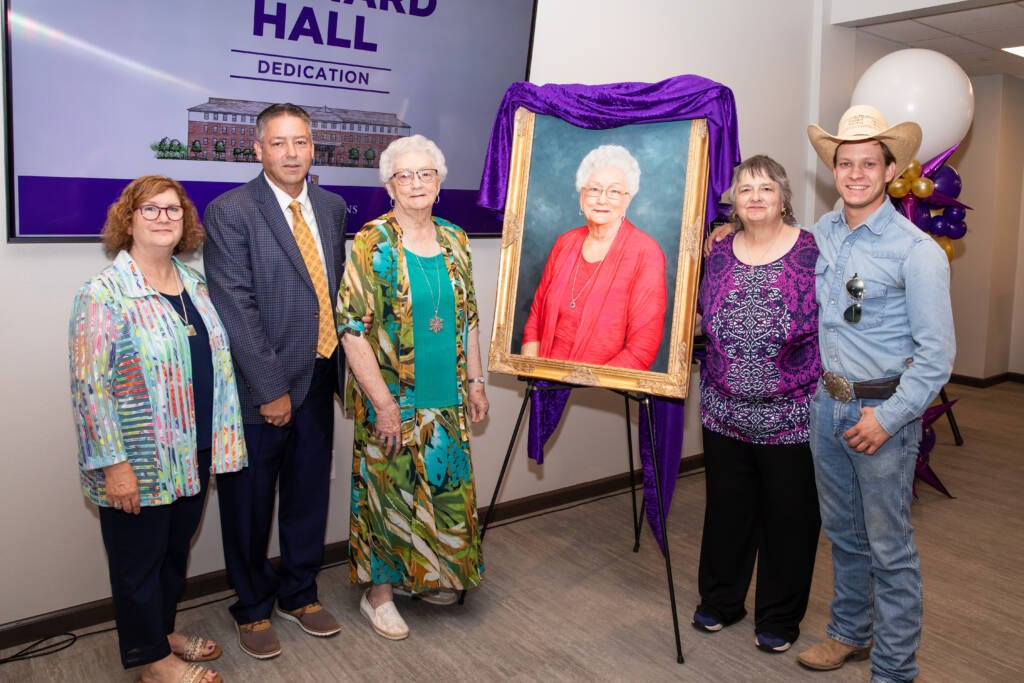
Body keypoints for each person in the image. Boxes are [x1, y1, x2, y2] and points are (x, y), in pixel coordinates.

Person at [796, 105, 955, 681]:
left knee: (890, 549)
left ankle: (893, 668)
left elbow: (937, 355)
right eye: (845, 163)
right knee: (842, 533)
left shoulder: (918, 252)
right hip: (826, 407)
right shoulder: (820, 236)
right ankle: (848, 632)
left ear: (891, 171)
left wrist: (888, 419)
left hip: (882, 413)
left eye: (869, 163)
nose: (855, 173)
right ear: (833, 170)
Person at [69, 175, 247, 683]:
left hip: (193, 451)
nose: (164, 217)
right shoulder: (104, 294)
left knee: (173, 552)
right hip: (137, 461)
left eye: (173, 209)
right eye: (150, 209)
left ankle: (162, 631)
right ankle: (151, 661)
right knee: (137, 563)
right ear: (128, 220)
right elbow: (89, 388)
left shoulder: (195, 286)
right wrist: (114, 465)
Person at [203, 103, 348, 658]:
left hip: (319, 374)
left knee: (309, 493)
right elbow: (234, 306)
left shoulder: (332, 208)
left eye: (302, 142)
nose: (293, 153)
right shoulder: (232, 210)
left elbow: (332, 293)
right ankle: (252, 606)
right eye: (280, 143)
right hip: (260, 389)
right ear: (258, 148)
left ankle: (300, 593)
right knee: (249, 504)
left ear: (314, 149)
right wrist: (269, 389)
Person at [337, 134, 489, 640]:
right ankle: (378, 594)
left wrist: (476, 381)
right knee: (390, 492)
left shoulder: (455, 239)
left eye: (426, 174)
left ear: (440, 183)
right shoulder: (371, 242)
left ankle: (425, 573)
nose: (416, 183)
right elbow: (351, 330)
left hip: (447, 396)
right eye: (405, 175)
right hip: (394, 397)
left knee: (441, 487)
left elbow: (467, 316)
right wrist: (381, 404)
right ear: (390, 185)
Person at [693, 156, 822, 655]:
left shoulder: (813, 251)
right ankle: (721, 601)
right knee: (727, 509)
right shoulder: (719, 251)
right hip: (723, 409)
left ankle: (780, 616)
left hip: (790, 412)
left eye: (766, 187)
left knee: (790, 516)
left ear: (783, 197)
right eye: (745, 188)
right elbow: (704, 311)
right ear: (733, 200)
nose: (755, 196)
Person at [521, 144, 667, 370]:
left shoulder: (646, 253)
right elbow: (536, 315)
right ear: (581, 195)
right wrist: (529, 368)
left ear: (628, 199)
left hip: (604, 390)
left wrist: (591, 383)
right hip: (546, 376)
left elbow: (642, 348)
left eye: (614, 191)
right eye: (594, 189)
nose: (602, 199)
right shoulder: (565, 243)